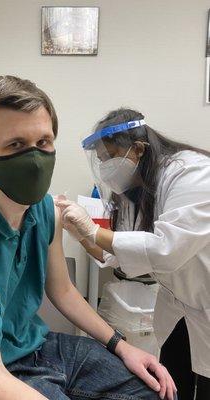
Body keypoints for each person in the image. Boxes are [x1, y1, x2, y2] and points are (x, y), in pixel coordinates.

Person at [0, 79, 176, 400]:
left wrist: (122, 346)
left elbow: (62, 291)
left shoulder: (45, 209)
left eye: (43, 141)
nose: (35, 158)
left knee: (153, 390)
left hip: (34, 346)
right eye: (16, 145)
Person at [56, 108, 210, 400]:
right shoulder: (136, 187)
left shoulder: (192, 173)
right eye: (100, 160)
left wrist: (91, 229)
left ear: (138, 149)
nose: (105, 167)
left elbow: (164, 250)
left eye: (109, 157)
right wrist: (81, 233)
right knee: (171, 383)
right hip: (181, 308)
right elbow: (122, 253)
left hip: (205, 302)